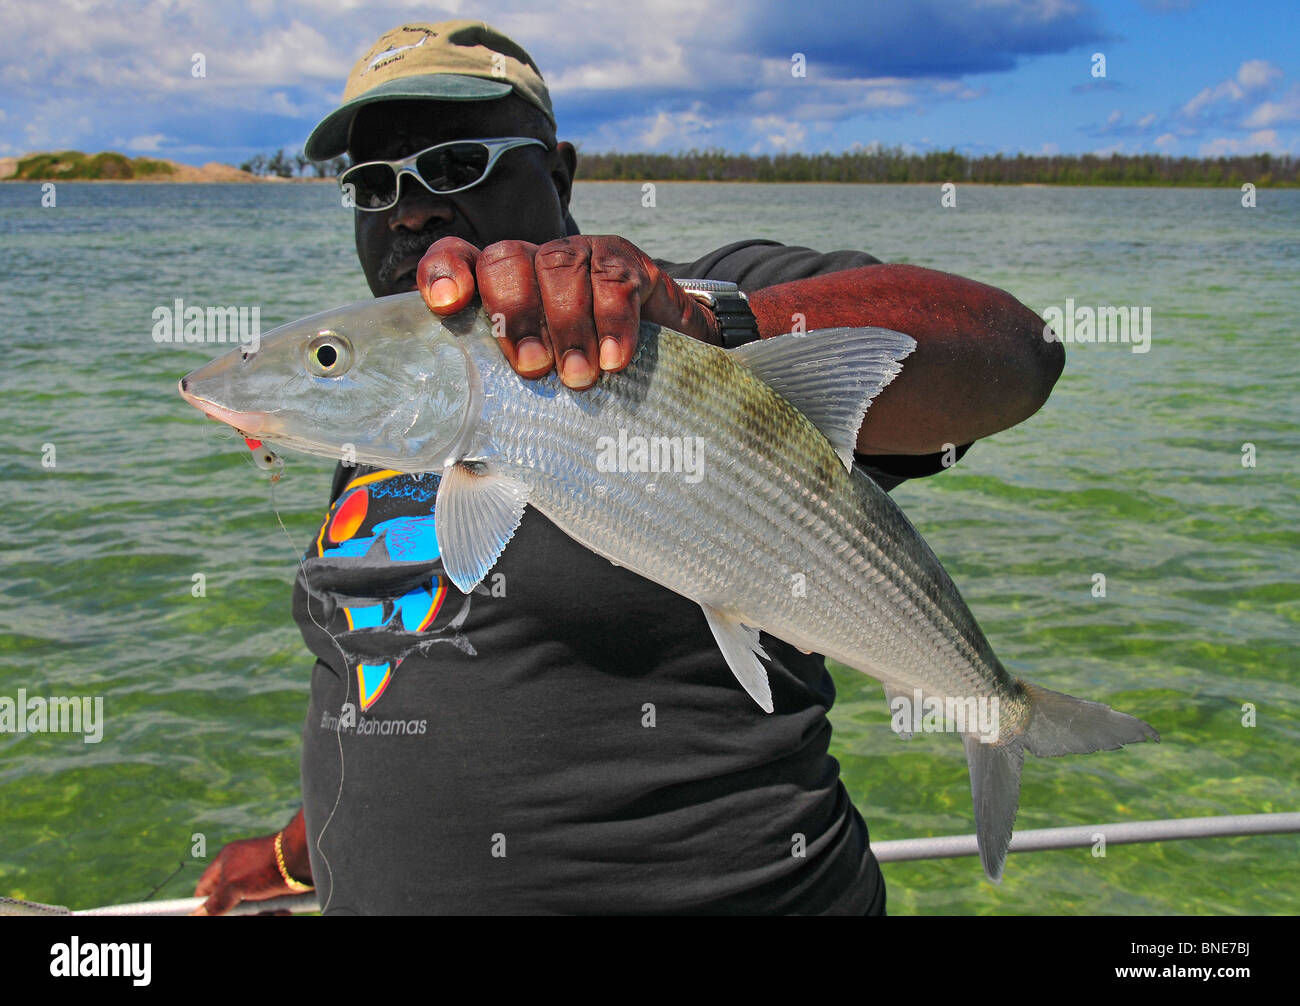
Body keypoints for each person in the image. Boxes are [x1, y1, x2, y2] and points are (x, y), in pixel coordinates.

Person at [194, 20, 1062, 915]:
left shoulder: (673, 309)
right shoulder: (399, 403)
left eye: (455, 165)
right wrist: (301, 850)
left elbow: (1019, 352)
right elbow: (399, 672)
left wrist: (715, 331)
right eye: (374, 184)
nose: (409, 210)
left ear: (558, 173)